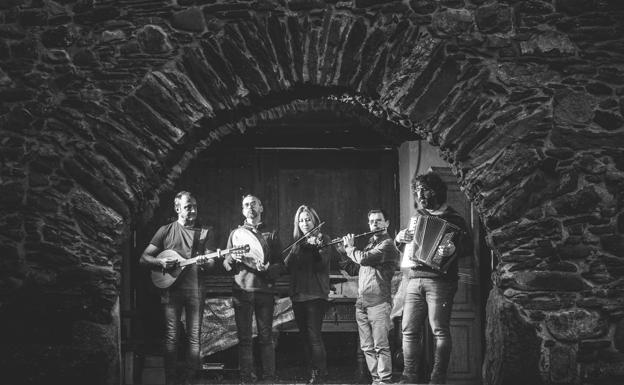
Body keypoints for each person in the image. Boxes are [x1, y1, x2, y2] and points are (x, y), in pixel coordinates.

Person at [395, 171, 472, 384]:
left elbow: (467, 248)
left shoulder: (455, 219)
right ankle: (409, 377)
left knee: (439, 330)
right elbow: (407, 248)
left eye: (424, 191)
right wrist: (399, 239)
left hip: (441, 281)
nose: (420, 195)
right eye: (417, 191)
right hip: (414, 279)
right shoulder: (418, 217)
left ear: (437, 191)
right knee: (408, 330)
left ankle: (437, 379)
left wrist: (452, 248)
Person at [140, 191, 218, 385]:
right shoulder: (165, 230)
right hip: (170, 290)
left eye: (195, 206)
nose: (192, 210)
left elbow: (210, 264)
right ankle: (171, 381)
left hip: (195, 291)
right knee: (171, 337)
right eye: (187, 206)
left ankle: (191, 381)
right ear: (177, 209)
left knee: (194, 339)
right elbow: (144, 258)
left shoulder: (205, 232)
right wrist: (160, 262)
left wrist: (203, 263)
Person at [223, 194, 283, 384]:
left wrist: (268, 270)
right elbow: (226, 264)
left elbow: (281, 265)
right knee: (245, 339)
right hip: (242, 291)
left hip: (264, 291)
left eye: (254, 204)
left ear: (261, 208)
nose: (250, 208)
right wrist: (233, 258)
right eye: (246, 205)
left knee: (266, 338)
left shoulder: (271, 234)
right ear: (242, 210)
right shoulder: (235, 233)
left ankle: (268, 380)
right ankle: (246, 379)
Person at [340, 209, 400, 385]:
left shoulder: (387, 244)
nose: (375, 224)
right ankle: (377, 380)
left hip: (379, 302)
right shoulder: (369, 244)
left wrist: (350, 248)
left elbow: (364, 259)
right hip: (362, 303)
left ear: (386, 223)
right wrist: (344, 252)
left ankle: (385, 381)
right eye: (372, 221)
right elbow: (355, 269)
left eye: (379, 220)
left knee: (381, 346)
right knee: (367, 347)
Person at [284, 205, 334, 384]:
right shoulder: (298, 242)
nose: (305, 223)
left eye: (308, 219)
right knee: (305, 336)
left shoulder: (323, 239)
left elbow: (322, 264)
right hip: (298, 294)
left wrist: (315, 248)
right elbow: (287, 265)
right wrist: (298, 248)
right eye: (301, 220)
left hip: (315, 295)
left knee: (314, 336)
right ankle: (311, 372)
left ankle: (321, 373)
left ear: (315, 221)